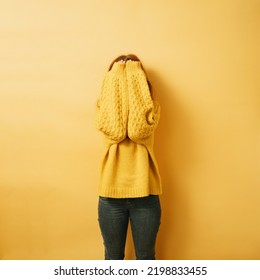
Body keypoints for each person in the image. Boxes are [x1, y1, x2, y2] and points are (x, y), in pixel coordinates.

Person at [95, 54, 162, 260]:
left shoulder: (151, 108)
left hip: (146, 194)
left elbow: (135, 131)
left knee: (145, 258)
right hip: (110, 196)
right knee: (113, 258)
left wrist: (132, 73)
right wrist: (118, 74)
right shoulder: (102, 107)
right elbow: (116, 131)